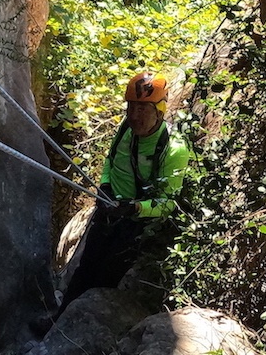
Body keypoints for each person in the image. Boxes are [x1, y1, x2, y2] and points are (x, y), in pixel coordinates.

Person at [58, 72, 190, 312]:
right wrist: (106, 184)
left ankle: (86, 332)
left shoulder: (174, 149)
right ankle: (58, 322)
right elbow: (111, 160)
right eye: (131, 108)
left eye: (143, 109)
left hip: (135, 224)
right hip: (108, 211)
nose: (134, 116)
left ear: (159, 111)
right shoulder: (125, 130)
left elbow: (169, 202)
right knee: (84, 269)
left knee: (106, 278)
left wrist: (136, 207)